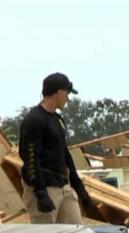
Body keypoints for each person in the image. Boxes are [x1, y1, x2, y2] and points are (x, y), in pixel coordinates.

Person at [19, 72, 91, 224]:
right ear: (59, 93)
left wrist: (79, 187)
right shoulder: (34, 120)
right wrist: (40, 192)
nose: (67, 98)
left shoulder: (57, 120)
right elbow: (31, 159)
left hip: (63, 185)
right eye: (67, 94)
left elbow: (64, 154)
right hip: (45, 187)